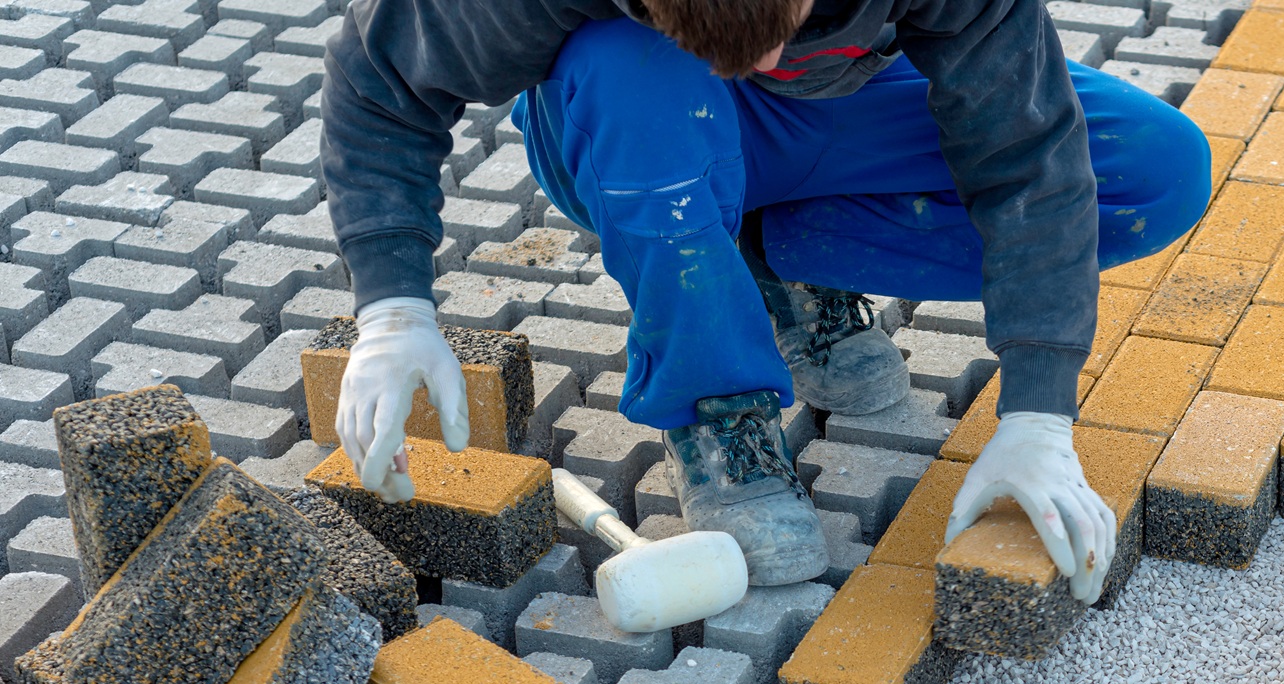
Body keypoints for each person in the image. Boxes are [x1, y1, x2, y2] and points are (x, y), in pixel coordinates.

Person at [322, 0, 1210, 601]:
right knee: (628, 64)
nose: (767, 61)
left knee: (1150, 173)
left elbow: (1028, 155)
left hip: (826, 114)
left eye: (782, 26)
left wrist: (1038, 415)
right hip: (642, 119)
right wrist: (393, 306)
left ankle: (769, 255)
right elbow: (375, 80)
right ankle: (719, 407)